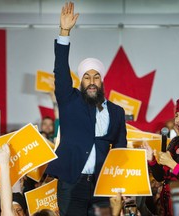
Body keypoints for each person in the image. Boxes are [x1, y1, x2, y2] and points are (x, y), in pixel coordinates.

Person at [45, 2, 127, 216]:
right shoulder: (69, 100)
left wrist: (120, 185)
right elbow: (61, 70)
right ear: (81, 82)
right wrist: (64, 32)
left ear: (102, 81)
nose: (92, 81)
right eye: (87, 77)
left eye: (96, 77)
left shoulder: (117, 112)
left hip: (103, 185)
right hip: (72, 183)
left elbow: (120, 151)